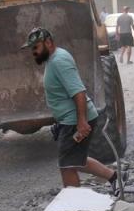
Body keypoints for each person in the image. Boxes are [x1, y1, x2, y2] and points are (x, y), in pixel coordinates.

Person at [22, 27, 118, 191]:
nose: (34, 52)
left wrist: (81, 122)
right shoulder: (54, 59)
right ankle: (114, 177)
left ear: (48, 43)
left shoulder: (59, 61)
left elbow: (78, 92)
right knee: (76, 160)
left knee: (67, 165)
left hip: (74, 121)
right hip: (71, 119)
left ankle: (75, 205)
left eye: (36, 47)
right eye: (32, 48)